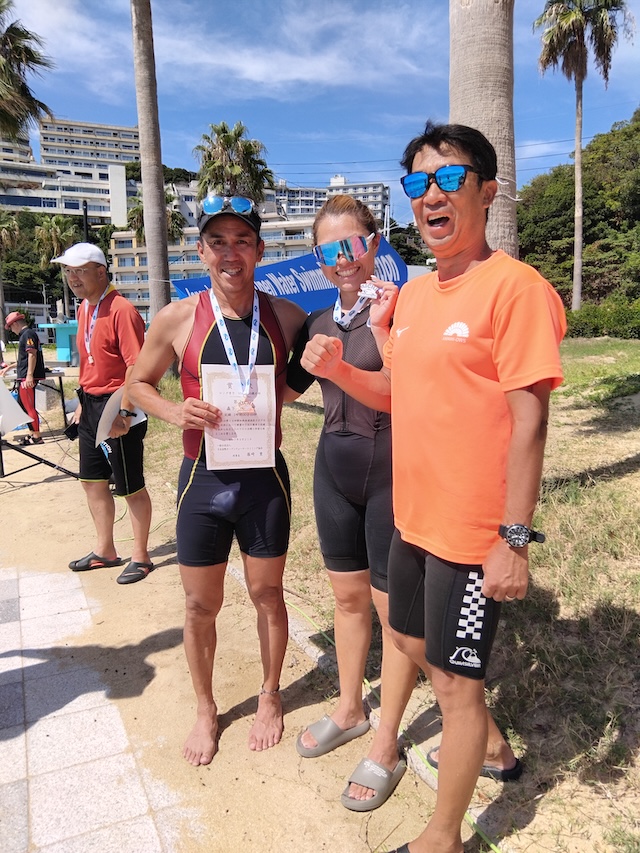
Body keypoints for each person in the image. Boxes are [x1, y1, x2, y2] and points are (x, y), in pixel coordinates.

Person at [301, 122, 567, 853]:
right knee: (408, 639)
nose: (431, 196)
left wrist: (512, 540)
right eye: (418, 183)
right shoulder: (415, 298)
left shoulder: (516, 290)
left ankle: (442, 837)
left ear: (487, 192)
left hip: (471, 535)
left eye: (449, 178)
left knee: (454, 684)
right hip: (411, 521)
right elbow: (398, 393)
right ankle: (487, 745)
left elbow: (530, 424)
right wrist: (340, 370)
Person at [127, 195, 307, 765]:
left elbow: (302, 378)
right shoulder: (177, 318)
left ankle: (270, 694)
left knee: (268, 595)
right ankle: (206, 709)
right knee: (200, 605)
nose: (231, 253)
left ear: (259, 249)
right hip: (202, 482)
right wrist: (174, 411)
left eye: (242, 241)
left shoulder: (287, 317)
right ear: (201, 251)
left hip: (264, 482)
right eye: (218, 242)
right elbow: (136, 384)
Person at [286, 195, 419, 811]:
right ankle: (349, 708)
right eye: (329, 249)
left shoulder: (400, 310)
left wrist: (339, 368)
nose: (343, 258)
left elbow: (400, 392)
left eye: (353, 244)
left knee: (393, 614)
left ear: (374, 243)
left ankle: (387, 741)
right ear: (317, 258)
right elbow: (283, 390)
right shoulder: (316, 322)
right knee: (346, 598)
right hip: (333, 471)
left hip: (390, 473)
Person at [51, 243, 153, 586]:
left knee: (130, 485)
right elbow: (89, 361)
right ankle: (105, 550)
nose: (73, 278)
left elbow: (137, 367)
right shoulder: (85, 308)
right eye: (68, 271)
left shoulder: (122, 309)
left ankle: (141, 556)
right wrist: (82, 402)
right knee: (92, 481)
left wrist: (124, 412)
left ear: (100, 271)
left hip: (119, 405)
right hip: (91, 405)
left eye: (80, 271)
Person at [1, 311, 46, 445]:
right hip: (24, 376)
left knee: (28, 406)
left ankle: (36, 436)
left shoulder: (28, 334)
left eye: (10, 327)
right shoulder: (25, 335)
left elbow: (32, 354)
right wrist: (8, 368)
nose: (11, 330)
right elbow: (24, 359)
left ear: (15, 324)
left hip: (27, 377)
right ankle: (32, 432)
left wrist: (29, 375)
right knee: (23, 405)